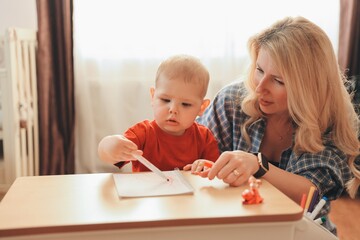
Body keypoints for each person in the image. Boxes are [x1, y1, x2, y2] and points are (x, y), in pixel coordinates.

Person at [184, 16, 359, 233]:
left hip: (301, 232)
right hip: (232, 227)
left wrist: (258, 165)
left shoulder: (329, 121)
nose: (259, 88)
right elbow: (187, 149)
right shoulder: (231, 101)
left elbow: (310, 195)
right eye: (259, 70)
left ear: (308, 88)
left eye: (278, 81)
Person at [98, 54, 220, 172]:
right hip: (149, 193)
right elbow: (106, 155)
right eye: (165, 100)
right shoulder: (143, 133)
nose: (173, 109)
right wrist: (109, 146)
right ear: (153, 97)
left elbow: (213, 171)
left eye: (185, 104)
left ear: (202, 107)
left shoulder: (204, 138)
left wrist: (205, 166)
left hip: (191, 193)